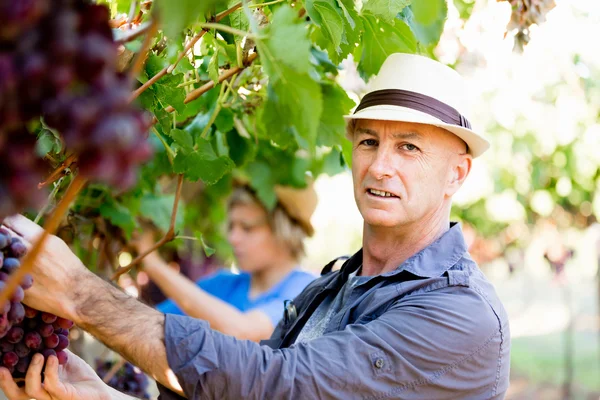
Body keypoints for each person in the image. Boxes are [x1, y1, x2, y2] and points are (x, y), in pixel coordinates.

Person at [0, 53, 510, 399]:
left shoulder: (461, 316)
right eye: (368, 141)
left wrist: (80, 294)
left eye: (409, 147)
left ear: (456, 175)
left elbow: (277, 386)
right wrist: (99, 396)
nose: (380, 166)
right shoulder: (329, 289)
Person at [134, 184, 317, 342]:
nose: (233, 238)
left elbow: (245, 332)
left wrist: (152, 263)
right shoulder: (221, 284)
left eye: (247, 228)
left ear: (284, 232)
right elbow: (149, 320)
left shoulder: (305, 290)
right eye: (231, 227)